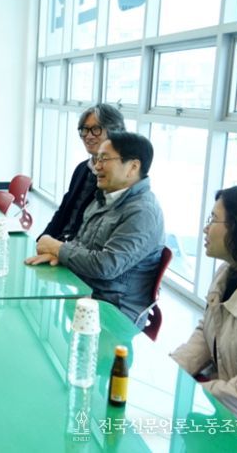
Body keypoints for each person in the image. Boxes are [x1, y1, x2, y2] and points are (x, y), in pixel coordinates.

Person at [26, 132, 165, 326]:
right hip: (85, 294)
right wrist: (59, 255)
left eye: (104, 159)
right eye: (97, 159)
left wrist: (57, 248)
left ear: (133, 167)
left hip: (114, 313)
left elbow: (106, 266)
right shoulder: (104, 198)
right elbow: (80, 243)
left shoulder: (143, 212)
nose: (96, 166)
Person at [171, 185, 237, 422]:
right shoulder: (228, 271)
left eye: (213, 219)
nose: (205, 228)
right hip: (222, 407)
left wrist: (190, 391)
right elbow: (207, 332)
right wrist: (173, 370)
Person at [39, 103, 125, 242]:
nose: (88, 136)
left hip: (78, 249)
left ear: (114, 131)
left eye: (95, 129)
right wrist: (42, 239)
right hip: (61, 242)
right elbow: (63, 212)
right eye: (84, 129)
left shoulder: (116, 177)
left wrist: (60, 248)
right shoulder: (82, 168)